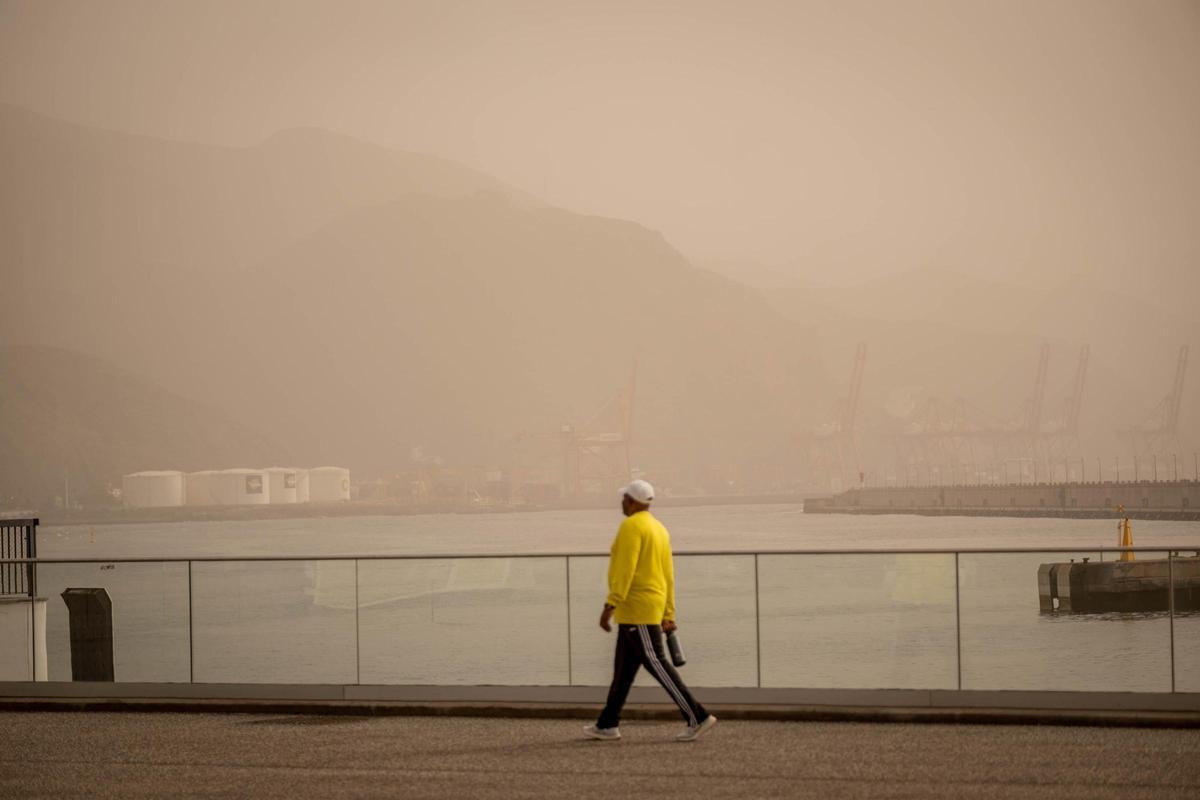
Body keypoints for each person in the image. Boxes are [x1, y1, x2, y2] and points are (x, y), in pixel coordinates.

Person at [583, 479, 716, 742]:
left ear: (631, 501)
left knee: (657, 663)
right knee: (623, 672)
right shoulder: (659, 529)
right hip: (649, 607)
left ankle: (697, 716)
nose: (621, 503)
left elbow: (625, 569)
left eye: (624, 499)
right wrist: (668, 613)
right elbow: (668, 574)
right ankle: (607, 723)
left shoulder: (631, 526)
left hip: (637, 609)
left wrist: (610, 604)